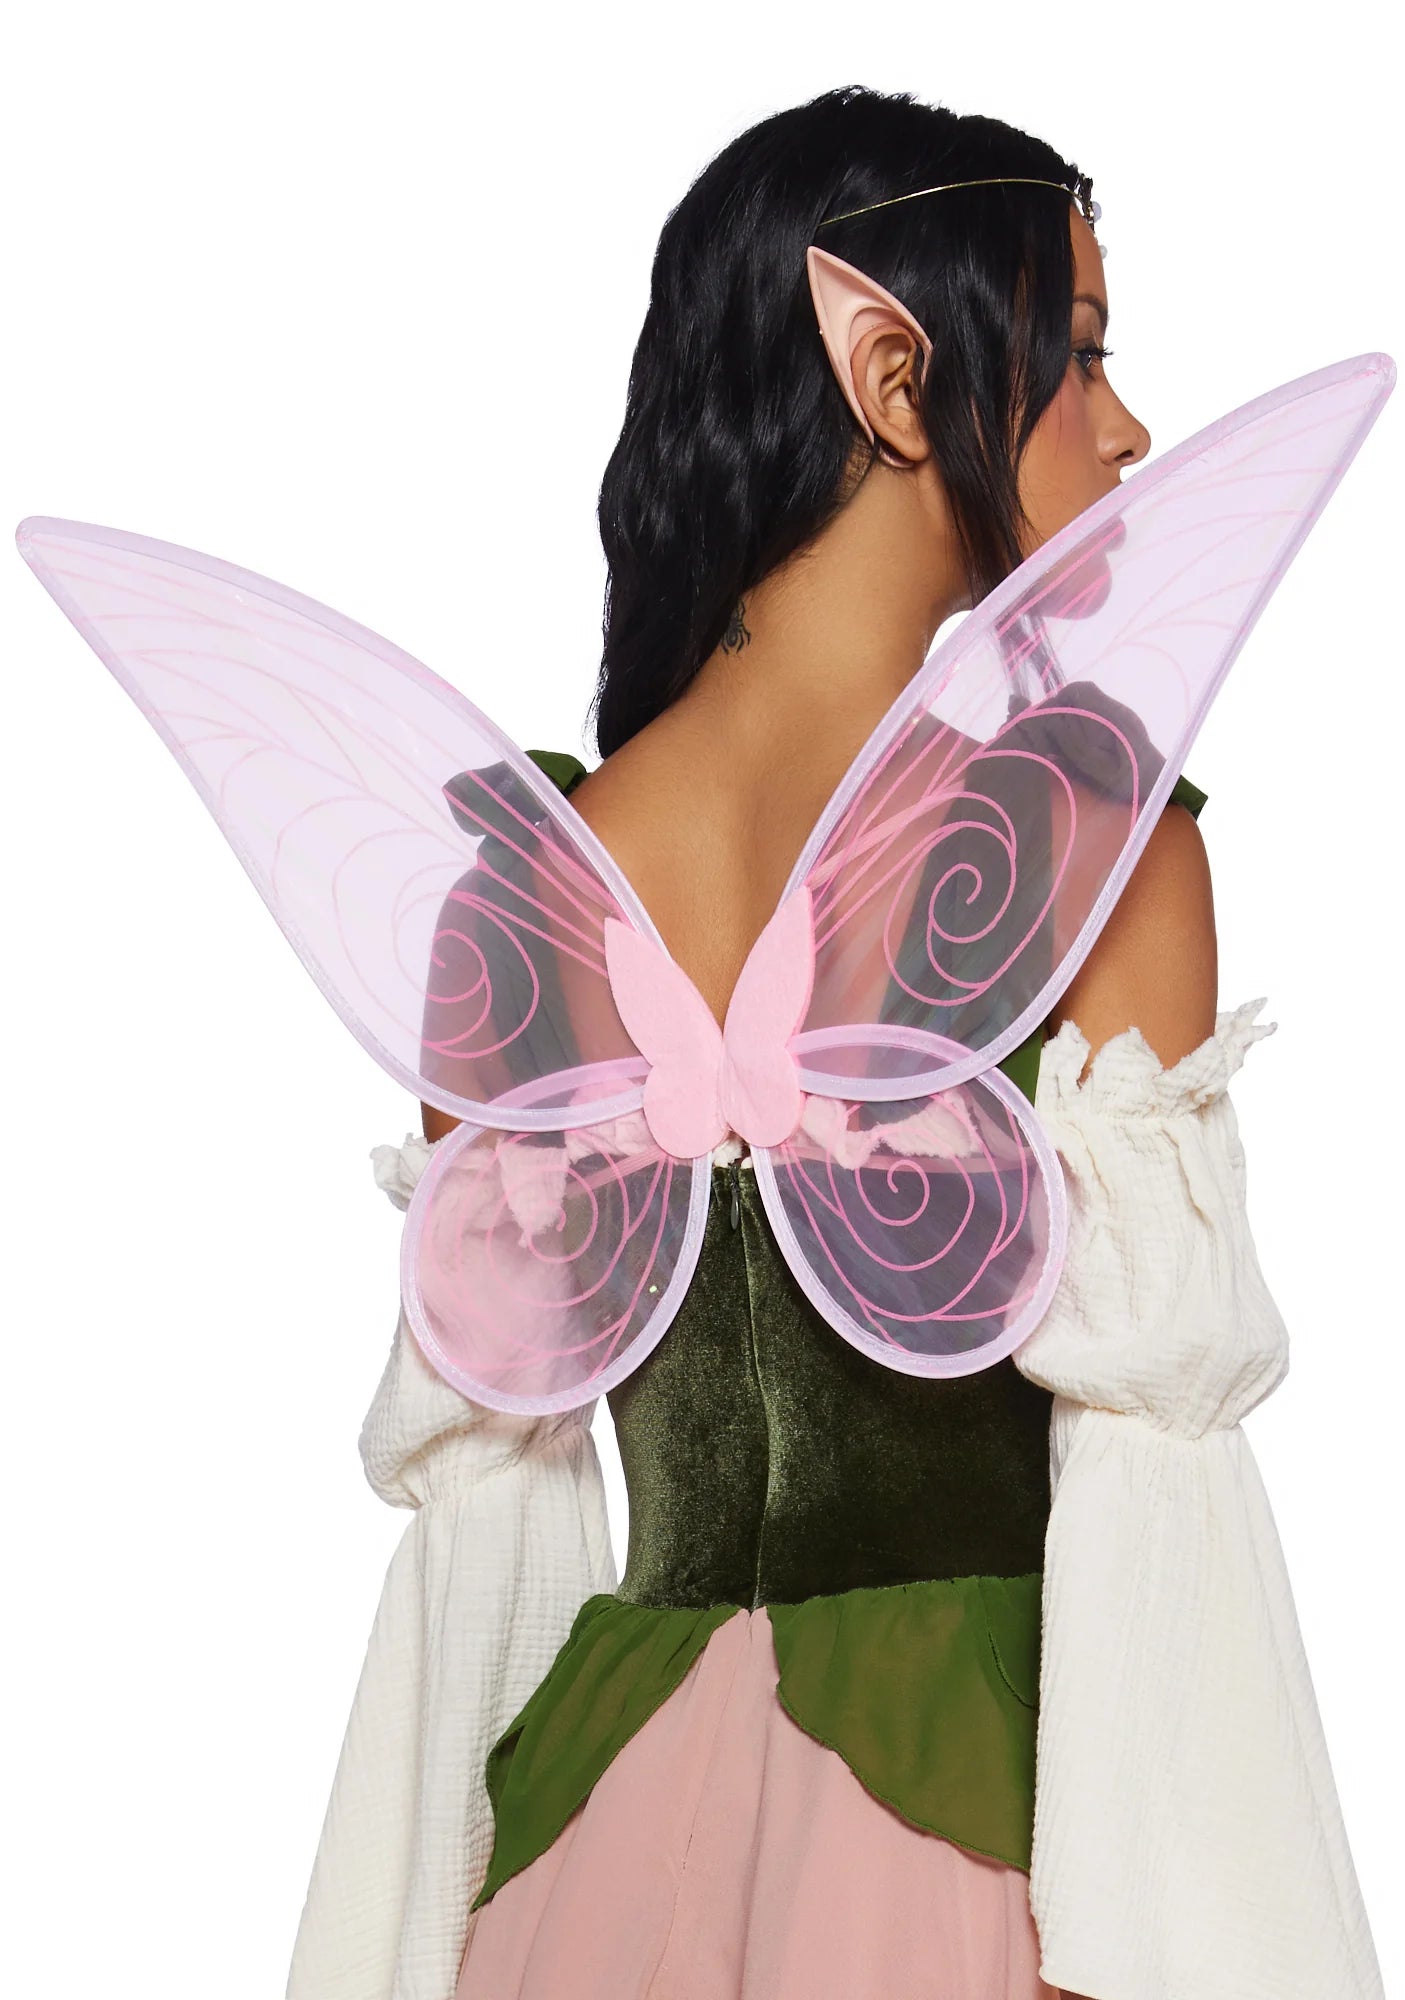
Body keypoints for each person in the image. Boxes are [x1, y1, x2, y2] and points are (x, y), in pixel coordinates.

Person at [274, 86, 1387, 2000]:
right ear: (891, 376)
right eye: (1080, 352)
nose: (1126, 427)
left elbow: (484, 1538)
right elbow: (1154, 1494)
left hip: (593, 1855)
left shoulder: (520, 899)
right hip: (983, 1832)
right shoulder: (1088, 851)